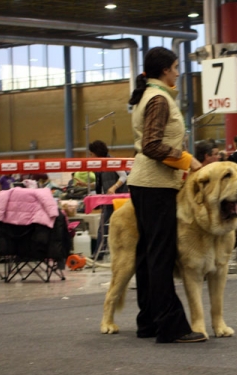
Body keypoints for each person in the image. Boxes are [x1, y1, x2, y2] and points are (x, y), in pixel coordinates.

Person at [126, 46, 205, 344]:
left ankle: (148, 320)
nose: (177, 72)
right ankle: (172, 326)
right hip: (155, 185)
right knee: (160, 255)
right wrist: (189, 160)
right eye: (175, 67)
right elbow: (152, 146)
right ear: (164, 71)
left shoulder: (151, 96)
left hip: (145, 183)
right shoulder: (159, 99)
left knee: (147, 255)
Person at [88, 140, 129, 259]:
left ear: (97, 152)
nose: (90, 156)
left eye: (91, 154)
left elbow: (124, 176)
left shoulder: (112, 161)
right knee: (103, 226)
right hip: (108, 199)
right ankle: (99, 253)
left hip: (119, 199)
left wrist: (114, 187)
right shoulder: (101, 165)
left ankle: (122, 254)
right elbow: (102, 182)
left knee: (120, 226)